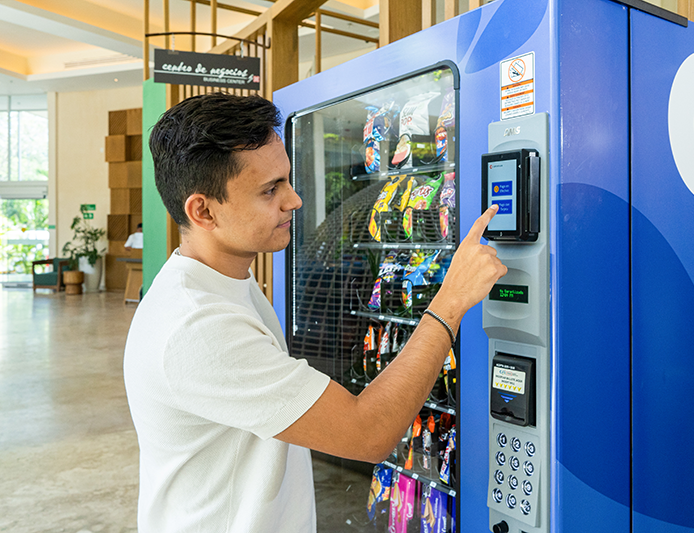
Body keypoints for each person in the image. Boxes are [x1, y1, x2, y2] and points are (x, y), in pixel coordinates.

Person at [123, 92, 507, 533]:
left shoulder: (225, 283)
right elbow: (368, 434)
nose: (294, 201)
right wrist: (451, 300)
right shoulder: (199, 327)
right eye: (270, 190)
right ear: (203, 210)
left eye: (286, 180)